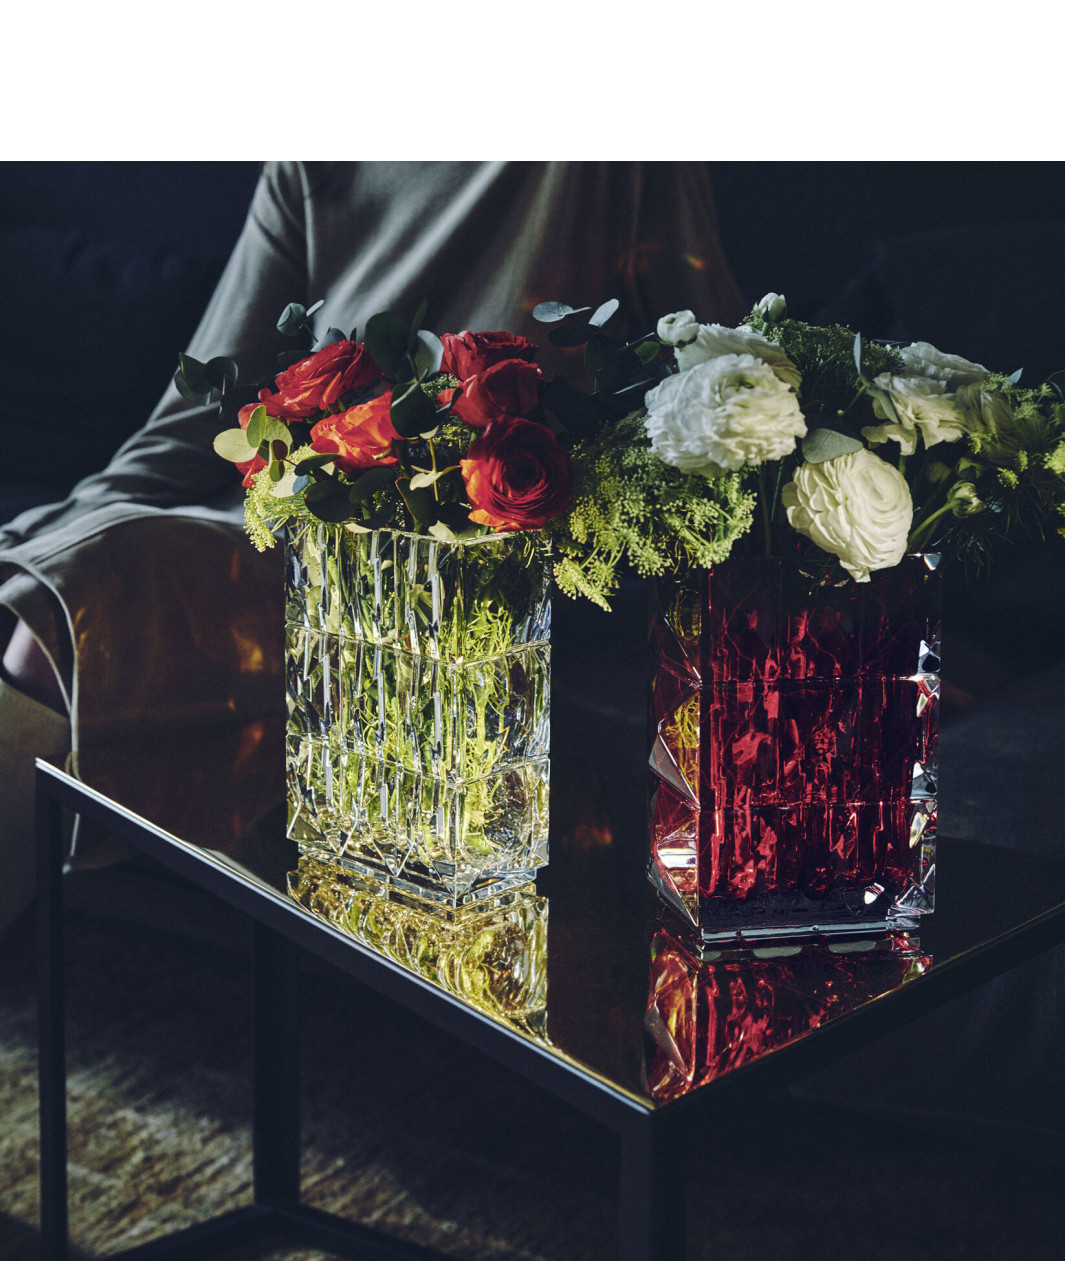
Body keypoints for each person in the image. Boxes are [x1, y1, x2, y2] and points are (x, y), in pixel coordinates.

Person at [0, 161, 746, 934]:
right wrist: (38, 539)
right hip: (295, 517)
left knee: (81, 606)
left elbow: (722, 362)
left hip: (472, 554)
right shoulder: (313, 158)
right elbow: (193, 422)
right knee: (51, 597)